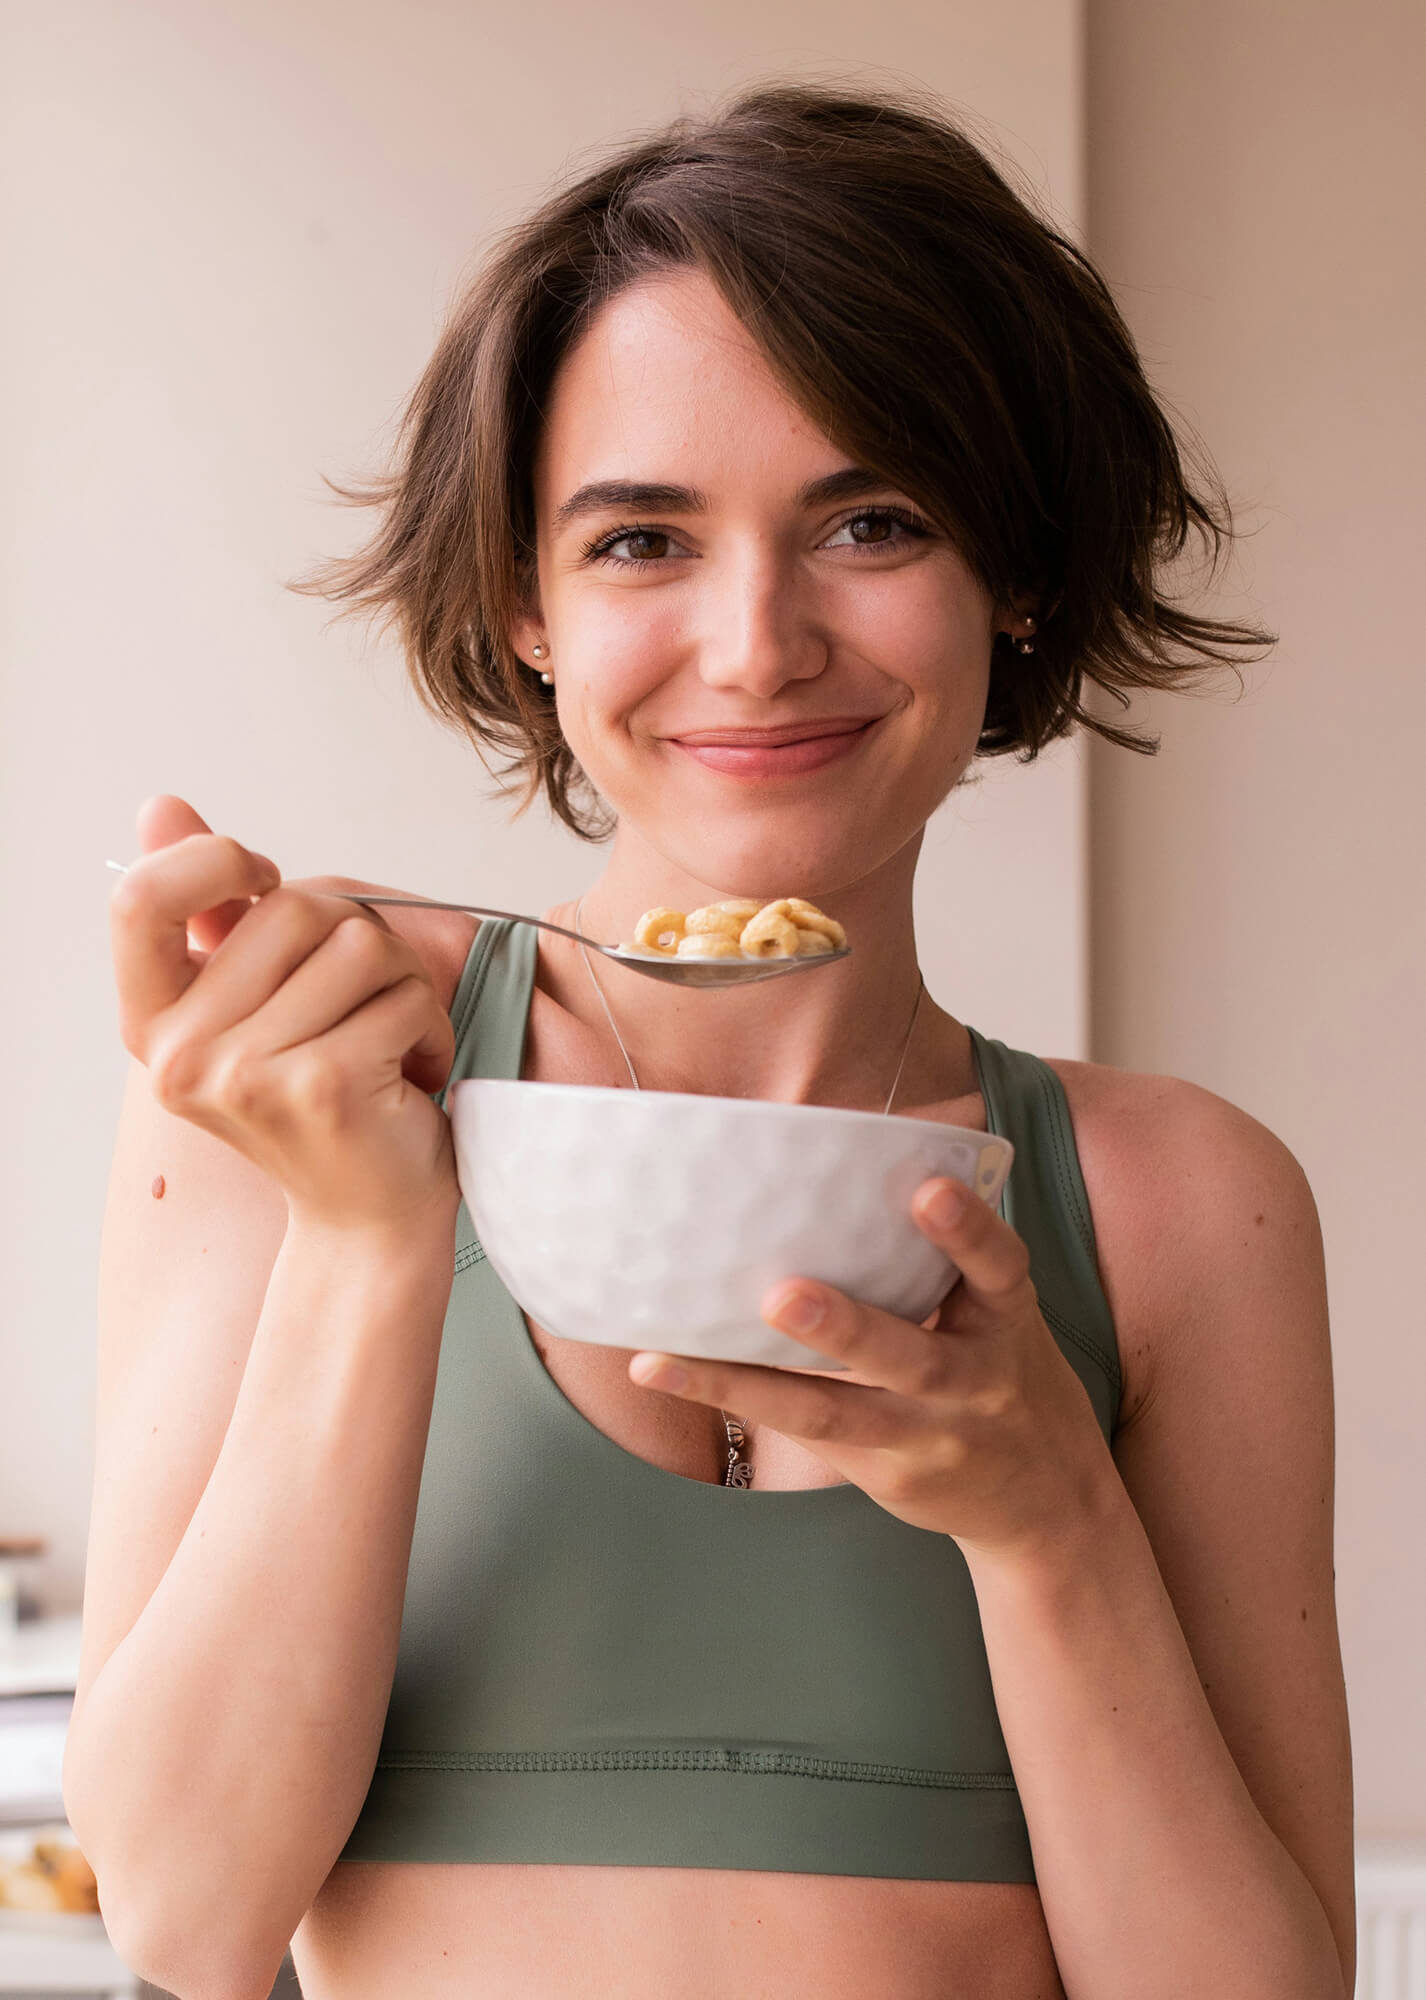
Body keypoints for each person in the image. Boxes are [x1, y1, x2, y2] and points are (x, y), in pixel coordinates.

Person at [63, 80, 1355, 2000]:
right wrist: (365, 1236)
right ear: (524, 604)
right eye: (641, 541)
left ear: (1013, 571)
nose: (756, 645)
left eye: (871, 521)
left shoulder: (1182, 1205)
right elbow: (184, 1913)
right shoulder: (311, 1075)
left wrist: (1047, 1519)